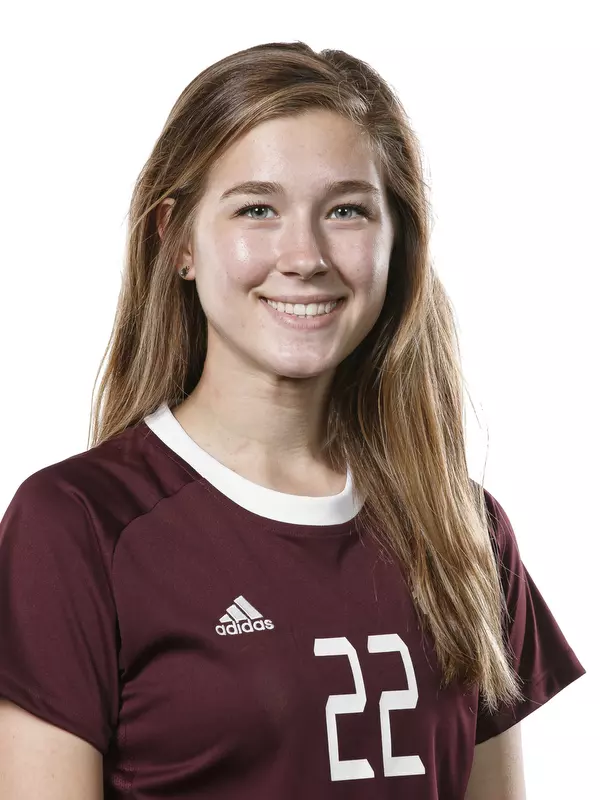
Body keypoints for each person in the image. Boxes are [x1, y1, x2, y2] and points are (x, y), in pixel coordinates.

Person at [0, 40, 585, 800]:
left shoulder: (463, 527)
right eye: (257, 209)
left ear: (396, 239)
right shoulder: (78, 527)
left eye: (345, 210)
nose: (304, 254)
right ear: (176, 239)